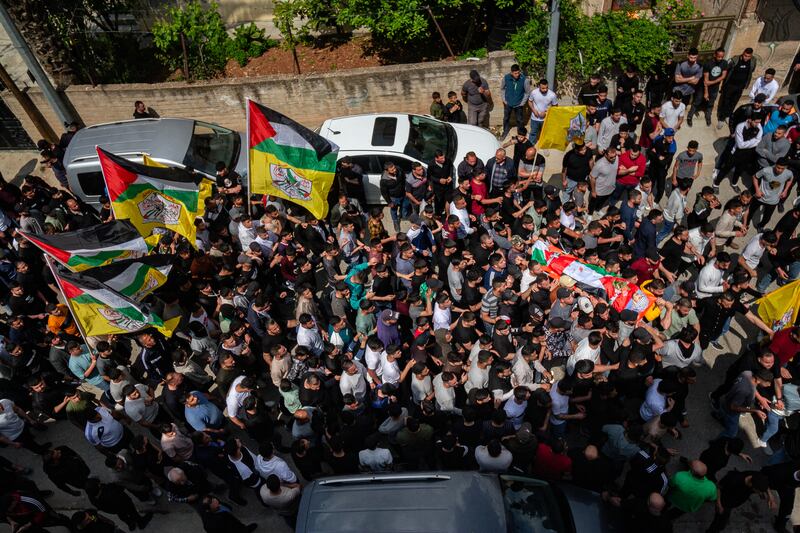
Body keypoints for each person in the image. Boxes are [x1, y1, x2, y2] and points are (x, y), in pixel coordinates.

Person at [718, 48, 757, 127]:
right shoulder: (734, 60)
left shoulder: (753, 61)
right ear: (743, 53)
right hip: (730, 85)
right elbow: (726, 70)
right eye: (745, 55)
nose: (746, 58)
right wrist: (723, 85)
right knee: (725, 102)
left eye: (748, 56)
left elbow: (751, 71)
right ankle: (721, 118)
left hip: (740, 86)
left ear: (751, 56)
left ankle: (728, 116)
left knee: (734, 102)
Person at [500, 64, 531, 139]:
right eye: (515, 73)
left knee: (519, 120)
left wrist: (522, 103)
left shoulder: (524, 80)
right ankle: (505, 131)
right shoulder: (506, 78)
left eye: (518, 72)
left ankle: (520, 133)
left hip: (519, 104)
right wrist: (504, 100)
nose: (517, 75)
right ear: (511, 73)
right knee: (506, 118)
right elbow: (502, 89)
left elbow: (527, 92)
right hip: (508, 103)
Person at [528, 79, 558, 145]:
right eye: (543, 88)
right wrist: (534, 110)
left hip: (546, 119)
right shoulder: (534, 92)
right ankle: (530, 145)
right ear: (539, 86)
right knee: (533, 133)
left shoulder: (552, 95)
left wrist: (546, 113)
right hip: (534, 118)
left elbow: (555, 106)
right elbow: (530, 101)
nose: (545, 90)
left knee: (545, 133)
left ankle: (545, 146)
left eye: (546, 88)